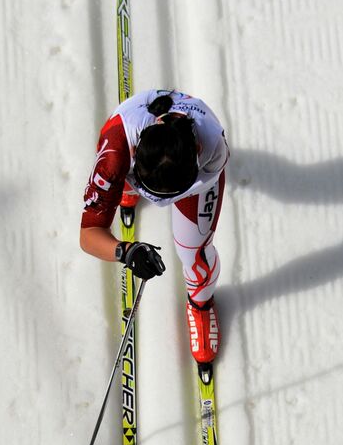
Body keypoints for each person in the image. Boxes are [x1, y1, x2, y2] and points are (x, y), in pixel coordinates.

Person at [79, 88, 230, 364]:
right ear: (136, 150)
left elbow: (204, 181)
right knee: (116, 179)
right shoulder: (116, 152)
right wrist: (126, 251)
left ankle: (201, 303)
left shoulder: (213, 148)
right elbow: (88, 235)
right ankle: (127, 189)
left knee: (194, 253)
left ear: (197, 151)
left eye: (168, 198)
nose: (161, 204)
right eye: (152, 194)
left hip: (191, 184)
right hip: (132, 165)